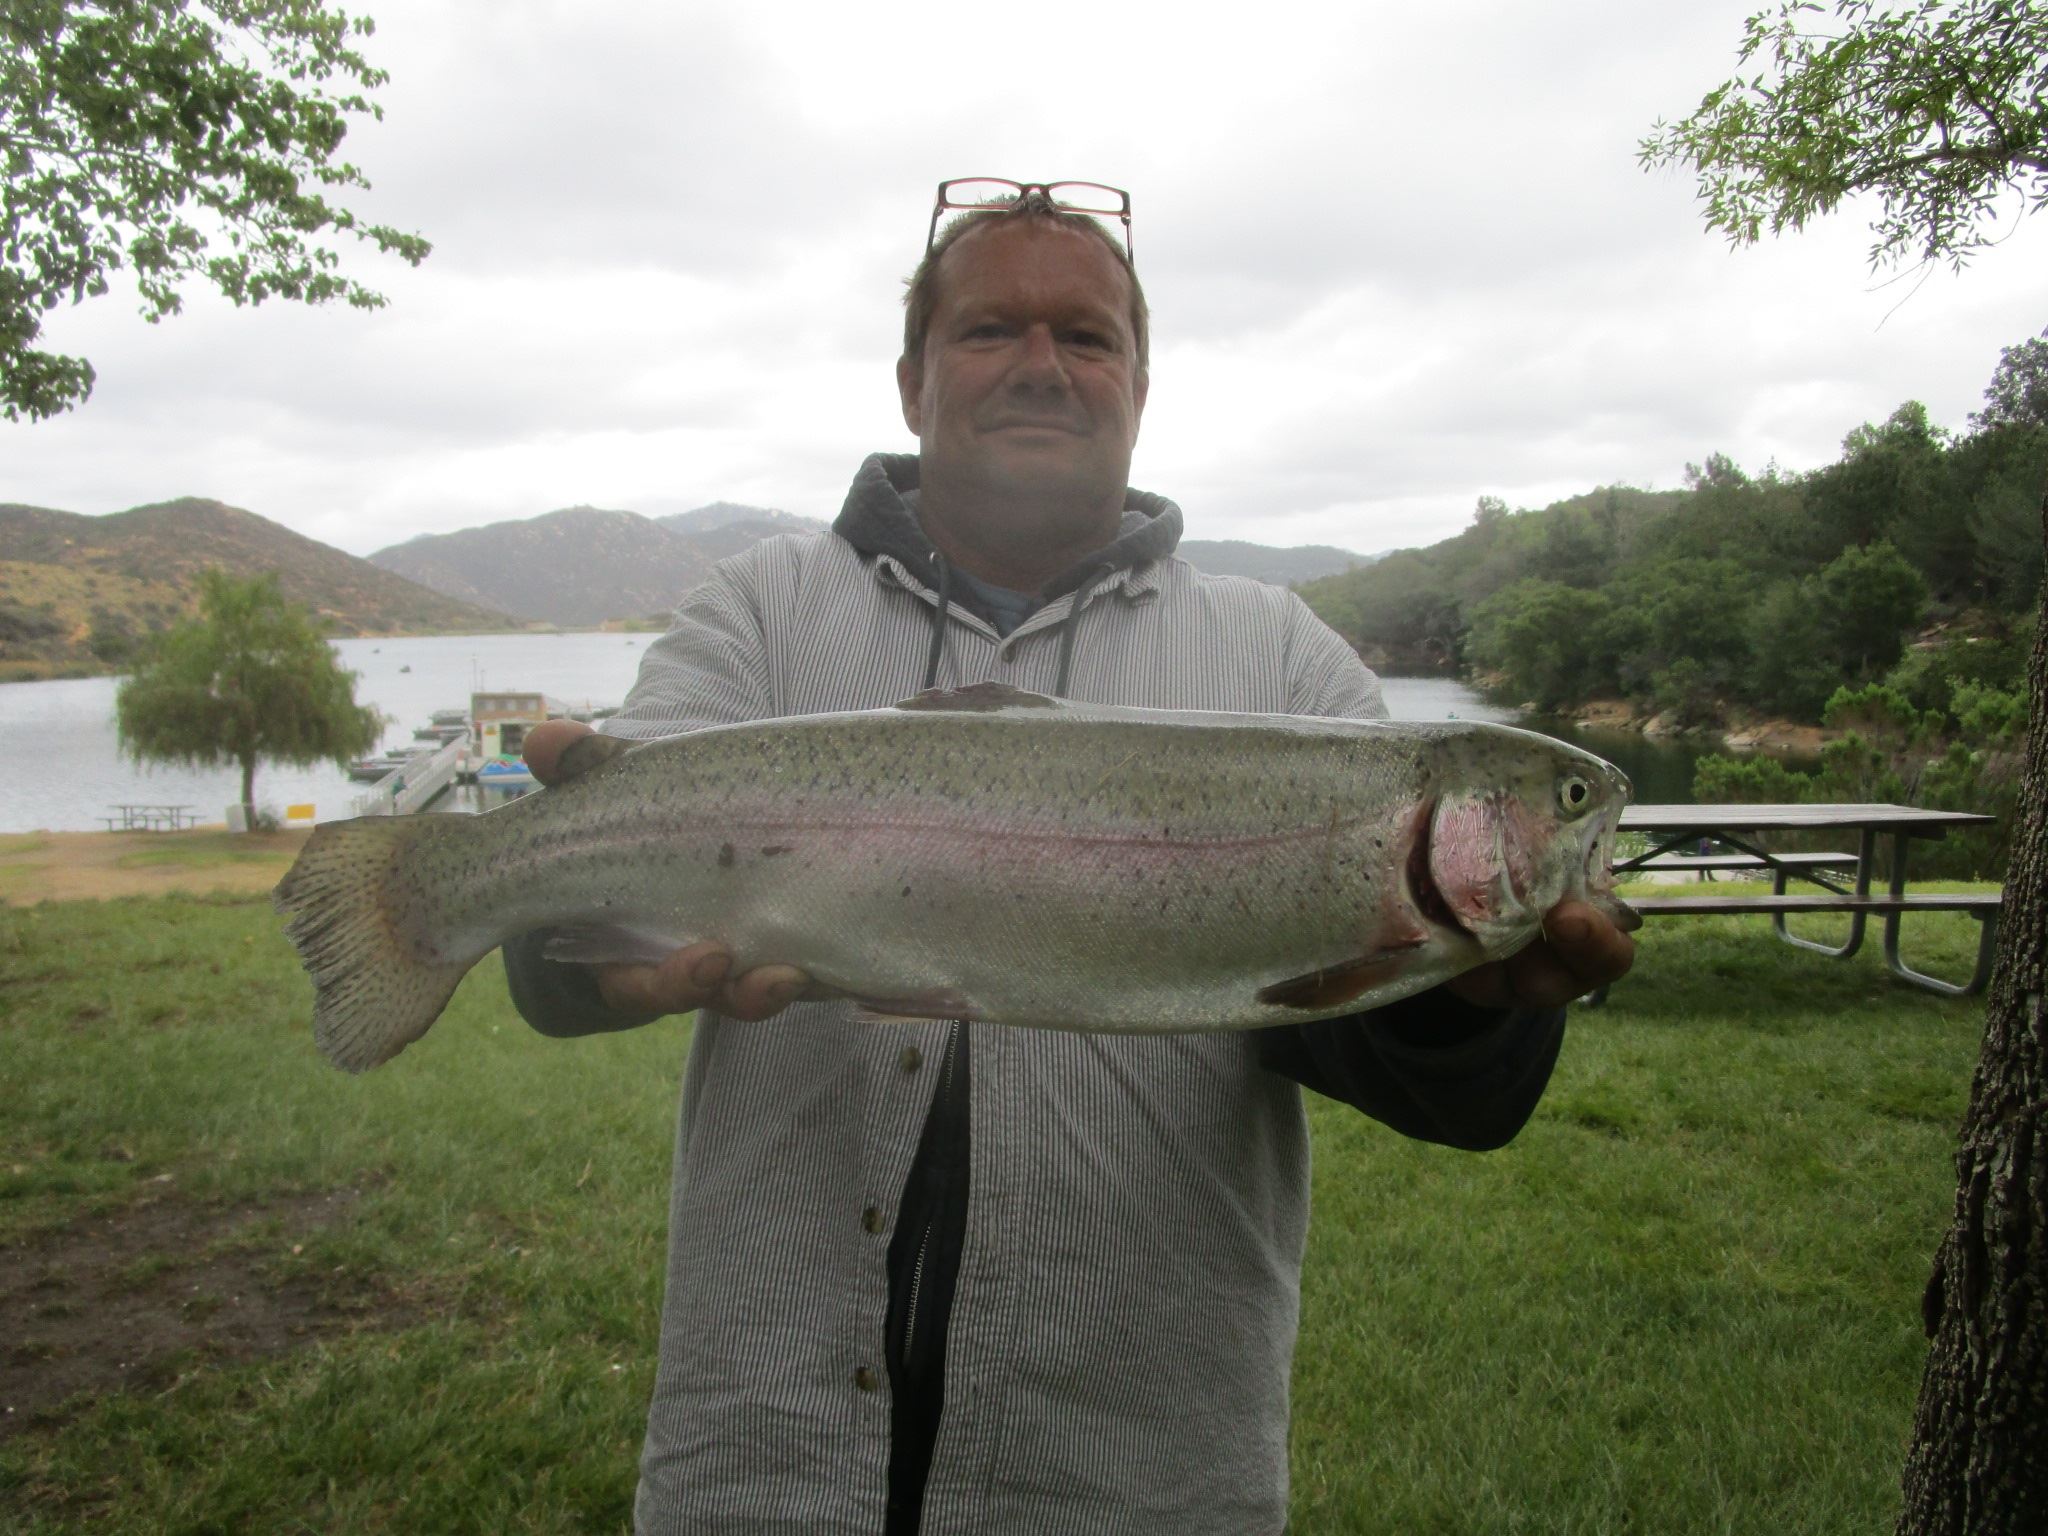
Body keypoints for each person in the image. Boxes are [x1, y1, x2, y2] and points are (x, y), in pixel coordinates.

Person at [505, 180, 1635, 1536]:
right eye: (992, 329)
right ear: (913, 377)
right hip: (766, 1458)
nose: (1043, 364)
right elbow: (564, 939)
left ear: (1140, 387)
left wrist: (1464, 1006)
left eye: (1087, 338)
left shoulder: (1279, 664)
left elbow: (1441, 1088)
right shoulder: (756, 616)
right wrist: (553, 931)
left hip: (1133, 1476)